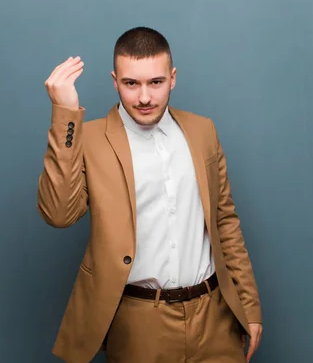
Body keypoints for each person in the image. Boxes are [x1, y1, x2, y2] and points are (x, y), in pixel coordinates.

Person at [37, 27, 263, 363]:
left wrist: (249, 305)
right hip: (139, 321)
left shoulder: (203, 131)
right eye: (131, 84)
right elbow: (58, 213)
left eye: (155, 82)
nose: (144, 97)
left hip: (215, 316)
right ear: (115, 81)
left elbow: (224, 220)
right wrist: (65, 114)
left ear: (173, 78)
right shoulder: (91, 138)